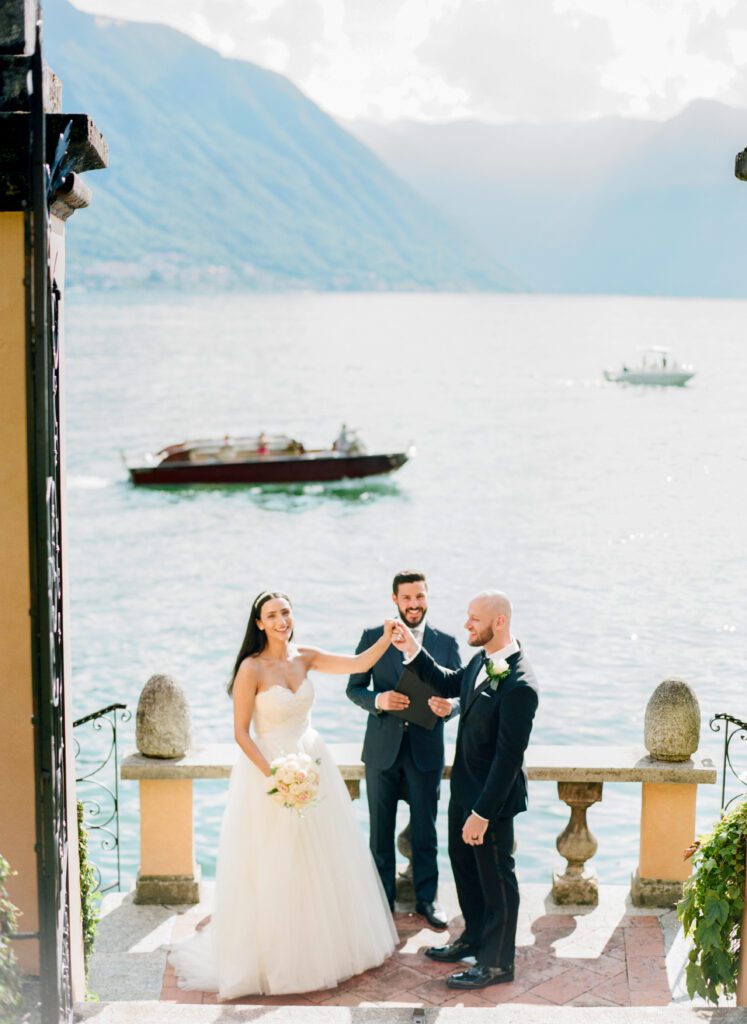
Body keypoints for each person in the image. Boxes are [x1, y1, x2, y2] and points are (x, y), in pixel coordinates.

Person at [170, 592, 398, 999]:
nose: (280, 620)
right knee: (277, 863)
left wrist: (386, 636)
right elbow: (241, 732)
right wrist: (275, 774)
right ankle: (277, 960)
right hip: (270, 770)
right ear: (259, 623)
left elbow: (358, 664)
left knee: (323, 858)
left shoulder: (305, 656)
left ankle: (328, 950)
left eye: (285, 612)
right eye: (271, 615)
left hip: (313, 762)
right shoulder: (251, 668)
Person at [391, 591, 538, 992]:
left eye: (475, 619)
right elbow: (447, 680)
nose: (467, 625)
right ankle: (473, 937)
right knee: (466, 873)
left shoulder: (520, 684)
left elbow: (508, 759)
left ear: (500, 622)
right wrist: (411, 648)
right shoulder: (481, 660)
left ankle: (496, 964)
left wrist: (483, 813)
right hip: (463, 793)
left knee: (496, 881)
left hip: (492, 802)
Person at [347, 571, 461, 929]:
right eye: (407, 598)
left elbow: (461, 691)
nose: (414, 604)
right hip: (382, 751)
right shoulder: (371, 637)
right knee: (380, 832)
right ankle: (382, 902)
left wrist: (452, 707)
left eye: (420, 597)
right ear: (394, 600)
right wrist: (378, 699)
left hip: (425, 750)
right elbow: (354, 688)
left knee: (426, 831)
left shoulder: (446, 642)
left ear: (428, 597)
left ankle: (428, 899)